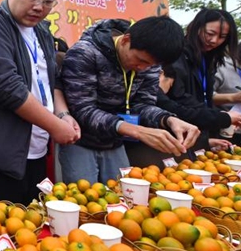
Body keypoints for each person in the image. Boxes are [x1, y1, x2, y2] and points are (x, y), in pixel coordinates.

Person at [0, 0, 80, 206]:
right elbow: (7, 87)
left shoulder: (42, 31)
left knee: (34, 226)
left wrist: (62, 115)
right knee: (1, 229)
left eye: (49, 0)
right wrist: (54, 125)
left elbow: (52, 80)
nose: (39, 6)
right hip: (1, 156)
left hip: (38, 150)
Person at [59, 17, 200, 184]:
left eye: (152, 65)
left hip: (116, 141)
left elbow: (142, 104)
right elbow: (82, 109)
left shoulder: (150, 63)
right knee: (83, 201)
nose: (143, 68)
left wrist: (168, 119)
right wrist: (135, 130)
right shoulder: (85, 53)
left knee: (123, 195)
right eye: (141, 60)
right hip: (80, 140)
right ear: (126, 40)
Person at [156, 8, 241, 146]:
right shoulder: (176, 56)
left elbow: (201, 100)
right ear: (196, 27)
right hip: (173, 137)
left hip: (194, 136)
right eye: (210, 33)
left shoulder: (208, 59)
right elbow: (178, 103)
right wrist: (219, 118)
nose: (214, 40)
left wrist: (206, 139)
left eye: (222, 37)